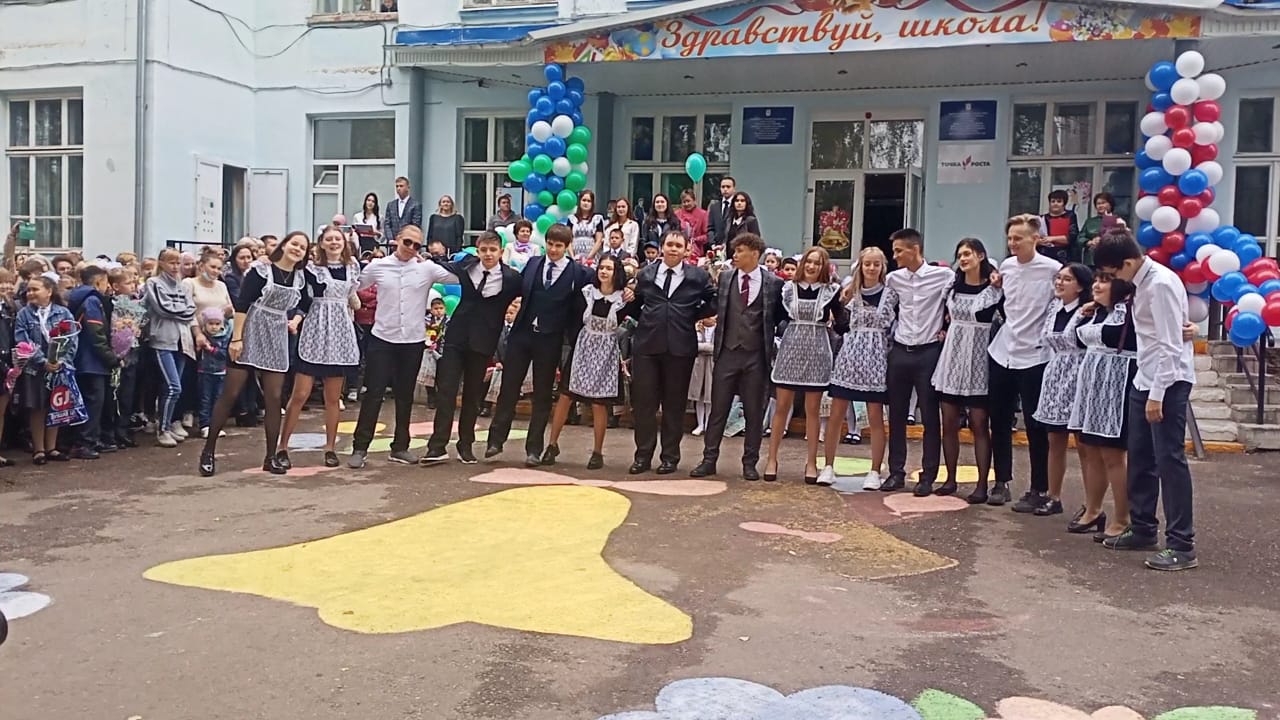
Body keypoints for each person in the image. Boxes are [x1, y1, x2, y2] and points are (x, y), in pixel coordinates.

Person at [1092, 229, 1198, 571]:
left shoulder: (1160, 284)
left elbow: (1170, 346)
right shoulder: (1140, 282)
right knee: (1140, 457)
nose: (1112, 279)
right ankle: (1142, 528)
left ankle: (1181, 544)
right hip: (1145, 376)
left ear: (1127, 262)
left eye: (1112, 272)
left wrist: (1157, 395)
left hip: (1167, 382)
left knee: (1169, 460)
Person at [197, 231, 310, 477]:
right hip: (250, 329)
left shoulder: (301, 277)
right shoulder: (261, 270)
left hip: (277, 334)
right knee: (230, 393)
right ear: (284, 245)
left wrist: (296, 320)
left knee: (274, 398)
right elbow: (242, 304)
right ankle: (208, 451)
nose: (297, 249)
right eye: (294, 244)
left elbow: (308, 301)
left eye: (302, 247)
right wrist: (237, 338)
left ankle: (271, 457)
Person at [348, 226, 458, 469]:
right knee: (374, 393)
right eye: (408, 242)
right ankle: (360, 447)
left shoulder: (427, 268)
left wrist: (442, 258)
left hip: (412, 340)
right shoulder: (378, 266)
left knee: (405, 395)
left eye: (417, 245)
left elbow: (456, 277)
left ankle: (400, 447)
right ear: (397, 240)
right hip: (382, 338)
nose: (411, 248)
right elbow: (353, 284)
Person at [485, 223, 592, 467]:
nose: (553, 250)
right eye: (550, 244)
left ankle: (534, 449)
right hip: (522, 335)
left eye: (558, 246)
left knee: (542, 395)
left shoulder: (578, 273)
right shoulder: (533, 263)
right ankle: (495, 441)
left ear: (567, 247)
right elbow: (516, 287)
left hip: (550, 339)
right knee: (508, 388)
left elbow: (602, 284)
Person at [420, 230, 521, 465]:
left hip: (484, 341)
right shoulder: (467, 264)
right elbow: (443, 264)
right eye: (484, 250)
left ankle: (465, 445)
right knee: (446, 390)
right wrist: (423, 260)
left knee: (473, 396)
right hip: (456, 337)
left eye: (492, 250)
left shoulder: (512, 278)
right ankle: (437, 446)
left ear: (501, 252)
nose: (488, 254)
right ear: (478, 250)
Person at [623, 229, 717, 475]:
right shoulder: (645, 274)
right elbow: (633, 304)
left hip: (680, 347)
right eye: (669, 244)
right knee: (644, 404)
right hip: (647, 346)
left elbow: (714, 299)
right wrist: (644, 313)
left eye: (678, 245)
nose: (673, 249)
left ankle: (670, 457)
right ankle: (643, 456)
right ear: (662, 248)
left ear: (686, 250)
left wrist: (692, 315)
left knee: (674, 405)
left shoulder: (697, 276)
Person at [988, 214, 1062, 511]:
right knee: (999, 420)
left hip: (1036, 354)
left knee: (1035, 424)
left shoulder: (1053, 269)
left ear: (1036, 239)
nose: (1012, 243)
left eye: (1018, 238)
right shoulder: (1006, 267)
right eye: (1009, 238)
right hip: (1004, 350)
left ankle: (1038, 487)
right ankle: (1001, 481)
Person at [278, 226, 363, 469]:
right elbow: (301, 296)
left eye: (338, 239)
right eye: (329, 239)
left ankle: (330, 448)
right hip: (316, 330)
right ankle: (282, 446)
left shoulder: (352, 267)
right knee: (300, 394)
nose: (334, 242)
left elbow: (353, 297)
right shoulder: (310, 269)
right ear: (322, 243)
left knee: (333, 398)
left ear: (344, 243)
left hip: (339, 333)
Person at [764, 247, 848, 485]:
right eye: (809, 261)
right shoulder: (787, 289)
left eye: (817, 263)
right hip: (791, 347)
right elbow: (776, 318)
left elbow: (842, 325)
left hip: (817, 350)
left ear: (824, 267)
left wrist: (847, 303)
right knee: (781, 406)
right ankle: (772, 459)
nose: (811, 266)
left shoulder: (831, 291)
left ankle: (811, 462)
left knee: (813, 410)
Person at [929, 239, 1003, 499]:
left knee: (979, 423)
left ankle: (982, 484)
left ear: (981, 256)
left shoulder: (994, 289)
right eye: (959, 254)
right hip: (952, 357)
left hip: (979, 358)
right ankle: (950, 479)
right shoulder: (952, 287)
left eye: (968, 253)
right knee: (949, 421)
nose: (963, 258)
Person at [879, 229, 952, 493]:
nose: (895, 256)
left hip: (928, 351)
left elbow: (958, 299)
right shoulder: (893, 279)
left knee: (930, 416)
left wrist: (947, 326)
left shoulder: (943, 276)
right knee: (896, 414)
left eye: (899, 250)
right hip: (900, 350)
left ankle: (928, 475)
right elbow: (884, 307)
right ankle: (895, 472)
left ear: (915, 249)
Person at [542, 255, 628, 469]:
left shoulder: (623, 298)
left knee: (599, 403)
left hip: (606, 351)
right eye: (601, 267)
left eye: (609, 268)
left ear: (616, 272)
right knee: (565, 396)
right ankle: (552, 444)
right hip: (583, 348)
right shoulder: (586, 293)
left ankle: (597, 452)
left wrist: (633, 291)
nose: (604, 271)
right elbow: (572, 318)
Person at [825, 247, 895, 491]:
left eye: (876, 264)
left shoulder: (890, 294)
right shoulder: (849, 292)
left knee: (875, 416)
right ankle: (828, 466)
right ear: (860, 266)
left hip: (876, 358)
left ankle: (874, 470)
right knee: (836, 413)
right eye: (867, 264)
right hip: (850, 355)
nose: (871, 268)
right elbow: (837, 321)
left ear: (882, 267)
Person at [1029, 263, 1093, 516]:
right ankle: (1053, 496)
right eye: (1058, 278)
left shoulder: (1088, 311)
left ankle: (1092, 504)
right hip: (1055, 374)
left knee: (1084, 444)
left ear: (1080, 286)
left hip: (1079, 375)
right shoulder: (1055, 308)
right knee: (1054, 440)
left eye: (1067, 279)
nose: (1059, 282)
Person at [14, 276, 77, 464]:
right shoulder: (24, 314)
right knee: (37, 407)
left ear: (49, 291)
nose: (30, 293)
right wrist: (43, 361)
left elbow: (72, 339)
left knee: (55, 406)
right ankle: (39, 449)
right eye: (29, 290)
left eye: (35, 289)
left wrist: (61, 360)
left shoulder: (63, 312)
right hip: (36, 369)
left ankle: (52, 447)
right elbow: (22, 341)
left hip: (59, 368)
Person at [144, 248, 197, 448]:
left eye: (177, 263)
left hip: (181, 340)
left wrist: (179, 311)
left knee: (174, 388)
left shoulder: (182, 284)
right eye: (171, 262)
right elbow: (162, 308)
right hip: (163, 339)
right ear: (162, 263)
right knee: (174, 386)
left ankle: (168, 423)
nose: (175, 267)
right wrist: (181, 311)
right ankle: (163, 429)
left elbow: (191, 309)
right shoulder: (154, 283)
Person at [66, 265, 120, 459]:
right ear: (98, 282)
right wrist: (111, 357)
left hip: (85, 359)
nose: (108, 287)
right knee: (93, 401)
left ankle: (93, 438)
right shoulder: (92, 301)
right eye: (105, 283)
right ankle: (84, 442)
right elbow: (96, 333)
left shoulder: (80, 297)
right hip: (91, 361)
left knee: (94, 401)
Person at [195, 308, 230, 438]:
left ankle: (216, 425)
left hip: (220, 373)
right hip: (204, 372)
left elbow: (224, 354)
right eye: (210, 323)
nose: (214, 327)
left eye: (217, 323)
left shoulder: (225, 337)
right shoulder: (202, 337)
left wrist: (210, 349)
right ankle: (205, 425)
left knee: (218, 400)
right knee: (205, 399)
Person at [1039, 189, 1079, 264]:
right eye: (1053, 201)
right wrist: (1039, 241)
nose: (1055, 204)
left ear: (1064, 203)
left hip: (1066, 256)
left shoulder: (1070, 216)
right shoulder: (1043, 218)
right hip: (1046, 255)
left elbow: (1072, 237)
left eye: (1059, 201)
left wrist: (1052, 238)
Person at [1079, 192, 1118, 267]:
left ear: (1110, 204)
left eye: (1103, 203)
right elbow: (1080, 237)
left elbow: (1121, 239)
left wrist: (1103, 240)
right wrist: (1089, 242)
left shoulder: (1117, 220)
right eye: (1098, 204)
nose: (1100, 206)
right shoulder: (1090, 221)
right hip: (1091, 259)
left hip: (1109, 259)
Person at [383, 176, 423, 247]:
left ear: (408, 187)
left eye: (401, 186)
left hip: (408, 243)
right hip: (392, 244)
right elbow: (387, 224)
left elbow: (415, 225)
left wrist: (404, 240)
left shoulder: (415, 205)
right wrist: (391, 239)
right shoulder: (391, 205)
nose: (398, 188)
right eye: (397, 186)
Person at [567, 190, 606, 261]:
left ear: (592, 203)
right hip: (575, 256)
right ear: (580, 202)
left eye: (589, 201)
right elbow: (568, 240)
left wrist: (589, 257)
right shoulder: (572, 218)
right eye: (584, 200)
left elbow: (599, 241)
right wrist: (573, 257)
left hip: (592, 257)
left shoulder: (597, 218)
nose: (586, 203)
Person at [675, 189, 710, 259]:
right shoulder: (677, 214)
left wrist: (695, 240)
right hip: (679, 251)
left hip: (697, 252)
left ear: (694, 201)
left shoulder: (703, 214)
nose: (686, 204)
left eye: (688, 201)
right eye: (684, 202)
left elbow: (707, 235)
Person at [707, 176, 737, 247]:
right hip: (716, 246)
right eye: (723, 187)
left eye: (728, 187)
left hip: (732, 246)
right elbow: (710, 228)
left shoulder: (737, 206)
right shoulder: (714, 207)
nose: (725, 189)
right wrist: (713, 244)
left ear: (734, 189)